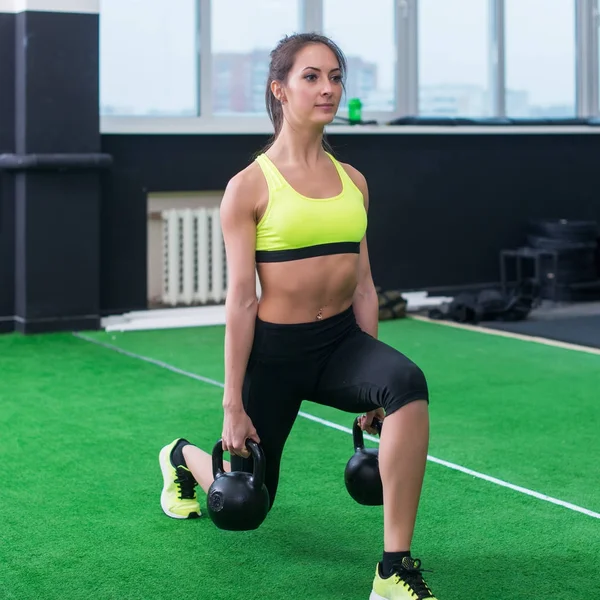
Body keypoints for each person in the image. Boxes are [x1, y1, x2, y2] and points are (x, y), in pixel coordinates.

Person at [158, 33, 438, 600]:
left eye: (336, 77)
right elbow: (241, 300)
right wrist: (231, 403)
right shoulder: (249, 187)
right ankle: (183, 457)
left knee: (407, 384)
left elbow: (363, 285)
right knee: (245, 509)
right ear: (279, 89)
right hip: (276, 354)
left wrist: (372, 396)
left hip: (340, 345)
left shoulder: (353, 181)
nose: (328, 88)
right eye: (312, 77)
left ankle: (393, 569)